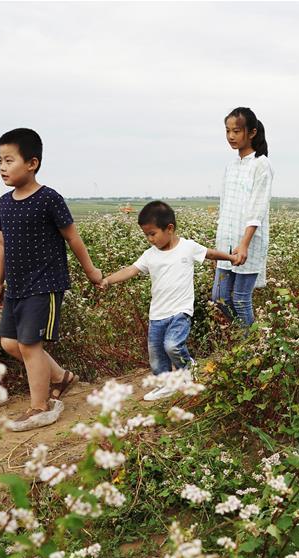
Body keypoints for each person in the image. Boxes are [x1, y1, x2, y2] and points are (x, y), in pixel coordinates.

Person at [0, 128, 103, 431]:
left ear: (32, 163)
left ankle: (40, 407)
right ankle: (62, 377)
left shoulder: (48, 199)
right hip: (16, 286)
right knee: (10, 342)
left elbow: (72, 237)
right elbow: (1, 243)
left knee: (30, 345)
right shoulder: (4, 202)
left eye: (9, 160)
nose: (2, 167)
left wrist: (91, 271)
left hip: (45, 284)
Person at [99, 201, 239, 401]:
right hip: (157, 315)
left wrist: (231, 258)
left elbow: (210, 253)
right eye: (146, 235)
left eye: (152, 234)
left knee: (172, 345)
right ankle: (166, 385)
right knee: (156, 356)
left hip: (180, 311)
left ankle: (188, 368)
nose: (149, 239)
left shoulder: (187, 247)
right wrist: (107, 280)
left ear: (170, 228)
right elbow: (131, 269)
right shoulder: (150, 255)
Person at [213, 106, 273, 327]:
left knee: (240, 299)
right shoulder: (231, 166)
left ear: (252, 132)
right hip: (225, 244)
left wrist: (244, 244)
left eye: (236, 131)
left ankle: (249, 348)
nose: (231, 136)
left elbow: (257, 209)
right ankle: (245, 338)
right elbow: (224, 207)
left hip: (249, 243)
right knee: (219, 298)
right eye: (228, 131)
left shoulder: (261, 165)